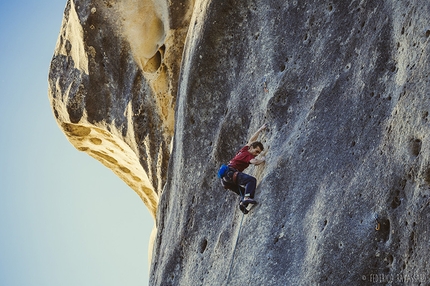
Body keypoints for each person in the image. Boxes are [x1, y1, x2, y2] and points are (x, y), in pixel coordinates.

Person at [220, 124, 267, 214]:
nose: (256, 154)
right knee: (251, 181)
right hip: (231, 174)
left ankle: (242, 204)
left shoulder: (244, 150)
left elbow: (251, 140)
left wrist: (260, 129)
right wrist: (262, 159)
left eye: (259, 153)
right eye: (256, 151)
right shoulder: (248, 155)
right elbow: (255, 162)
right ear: (251, 148)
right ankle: (246, 198)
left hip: (226, 180)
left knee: (247, 191)